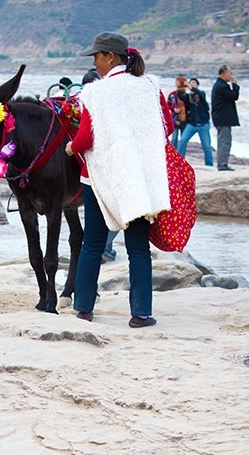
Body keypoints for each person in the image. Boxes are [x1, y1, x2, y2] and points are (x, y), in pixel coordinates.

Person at [65, 31, 173, 328]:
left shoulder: (96, 92)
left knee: (92, 245)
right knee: (138, 248)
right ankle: (141, 314)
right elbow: (168, 125)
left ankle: (84, 308)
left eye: (97, 57)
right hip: (137, 179)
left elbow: (86, 137)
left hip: (100, 181)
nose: (95, 63)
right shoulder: (151, 87)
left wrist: (71, 146)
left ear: (110, 57)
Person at [176, 78, 214, 166]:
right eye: (190, 83)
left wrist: (190, 87)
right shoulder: (188, 97)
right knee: (182, 141)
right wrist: (179, 87)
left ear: (197, 85)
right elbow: (180, 96)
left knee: (207, 146)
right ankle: (179, 162)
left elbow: (199, 93)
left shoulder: (202, 94)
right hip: (192, 124)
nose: (192, 84)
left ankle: (209, 164)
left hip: (203, 124)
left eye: (194, 83)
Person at [211, 64, 240, 171]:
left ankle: (222, 163)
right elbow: (234, 96)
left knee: (223, 141)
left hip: (220, 118)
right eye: (230, 73)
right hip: (223, 118)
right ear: (224, 74)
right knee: (225, 142)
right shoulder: (222, 86)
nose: (231, 76)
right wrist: (235, 85)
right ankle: (222, 164)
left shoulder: (219, 84)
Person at [167, 76, 188, 149]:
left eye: (178, 82)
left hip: (184, 119)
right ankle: (174, 154)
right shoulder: (172, 94)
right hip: (174, 118)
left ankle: (181, 154)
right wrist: (173, 109)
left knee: (183, 139)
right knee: (174, 137)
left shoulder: (186, 95)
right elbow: (168, 105)